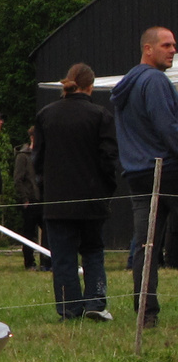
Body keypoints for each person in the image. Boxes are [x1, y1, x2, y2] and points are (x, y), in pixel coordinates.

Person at [35, 64, 116, 319]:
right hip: (91, 198)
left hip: (57, 200)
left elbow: (37, 159)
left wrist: (44, 189)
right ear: (91, 86)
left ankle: (68, 307)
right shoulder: (100, 115)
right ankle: (95, 301)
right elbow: (109, 158)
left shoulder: (46, 115)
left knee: (63, 256)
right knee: (92, 250)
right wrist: (107, 188)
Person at [113, 26, 178, 326]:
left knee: (145, 245)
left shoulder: (127, 83)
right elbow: (167, 128)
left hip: (138, 173)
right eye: (166, 45)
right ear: (148, 49)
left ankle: (145, 314)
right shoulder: (154, 80)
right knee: (148, 245)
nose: (173, 50)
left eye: (174, 45)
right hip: (167, 169)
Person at [11, 125, 46, 272]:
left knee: (48, 232)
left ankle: (46, 260)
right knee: (29, 233)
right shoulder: (23, 156)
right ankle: (29, 262)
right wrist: (25, 198)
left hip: (42, 199)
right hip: (30, 200)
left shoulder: (43, 155)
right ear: (32, 138)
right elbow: (18, 179)